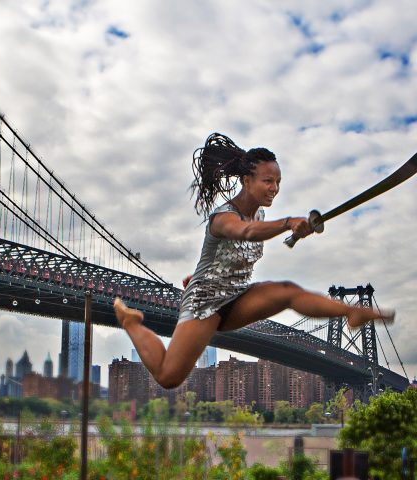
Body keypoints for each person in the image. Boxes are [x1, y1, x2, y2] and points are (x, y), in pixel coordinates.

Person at [113, 132, 394, 389]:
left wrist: (294, 230)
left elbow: (249, 238)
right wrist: (287, 223)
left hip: (237, 297)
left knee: (287, 291)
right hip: (204, 304)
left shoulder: (258, 215)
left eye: (278, 182)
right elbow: (245, 233)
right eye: (268, 181)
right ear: (247, 181)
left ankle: (349, 311)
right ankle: (132, 323)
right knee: (168, 377)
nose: (274, 188)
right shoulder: (223, 217)